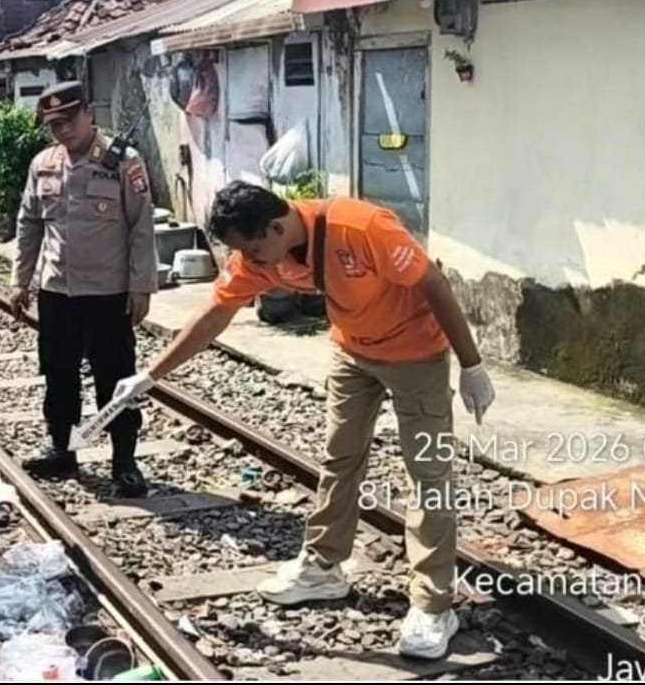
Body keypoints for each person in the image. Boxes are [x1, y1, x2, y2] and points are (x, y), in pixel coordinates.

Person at [107, 181, 496, 659]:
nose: (250, 262)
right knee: (339, 459)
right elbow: (215, 313)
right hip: (352, 352)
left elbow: (432, 283)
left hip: (416, 355)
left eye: (253, 250)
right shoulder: (260, 254)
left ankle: (433, 605)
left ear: (276, 227)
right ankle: (324, 568)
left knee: (427, 473)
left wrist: (471, 365)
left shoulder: (362, 227)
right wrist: (151, 374)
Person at [11, 81, 158, 497]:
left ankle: (124, 461)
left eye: (69, 119)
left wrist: (141, 286)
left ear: (89, 113)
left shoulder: (123, 162)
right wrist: (20, 279)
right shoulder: (43, 164)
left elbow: (141, 227)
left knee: (115, 377)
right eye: (53, 123)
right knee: (58, 374)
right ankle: (62, 449)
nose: (62, 129)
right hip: (57, 291)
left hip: (107, 293)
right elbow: (29, 223)